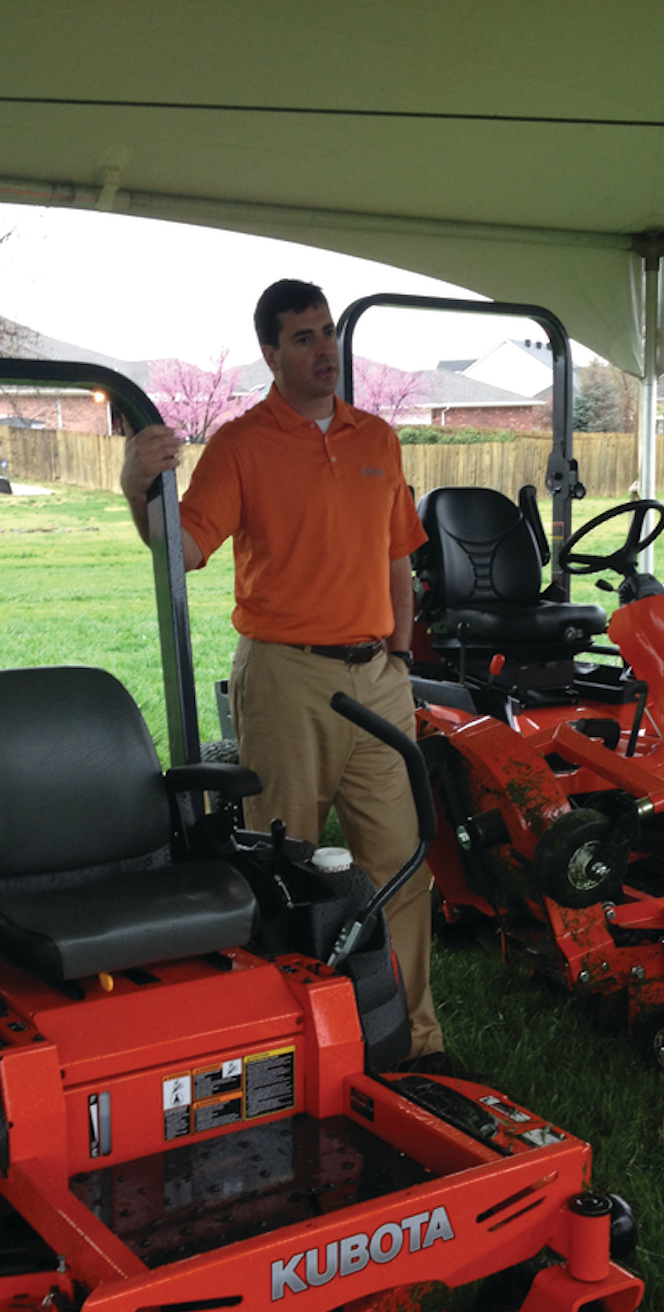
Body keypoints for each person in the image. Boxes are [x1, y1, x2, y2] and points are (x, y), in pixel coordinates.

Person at [121, 278, 447, 1065]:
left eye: (327, 332)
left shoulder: (377, 438)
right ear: (270, 354)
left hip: (378, 679)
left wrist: (401, 654)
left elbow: (398, 555)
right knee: (282, 865)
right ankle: (294, 1050)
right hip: (287, 679)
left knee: (402, 866)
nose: (324, 350)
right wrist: (137, 486)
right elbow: (182, 551)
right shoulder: (241, 444)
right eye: (304, 338)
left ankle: (414, 1045)